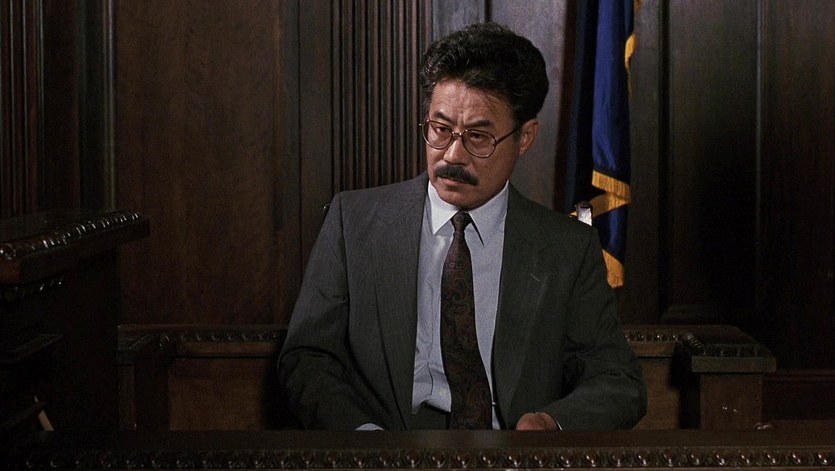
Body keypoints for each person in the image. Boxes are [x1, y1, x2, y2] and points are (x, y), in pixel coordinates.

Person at [277, 21, 646, 431]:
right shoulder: (354, 222)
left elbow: (618, 381)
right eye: (440, 129)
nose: (452, 155)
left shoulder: (567, 248)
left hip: (512, 450)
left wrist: (549, 424)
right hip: (386, 449)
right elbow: (307, 359)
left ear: (525, 137)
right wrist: (364, 439)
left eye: (478, 137)